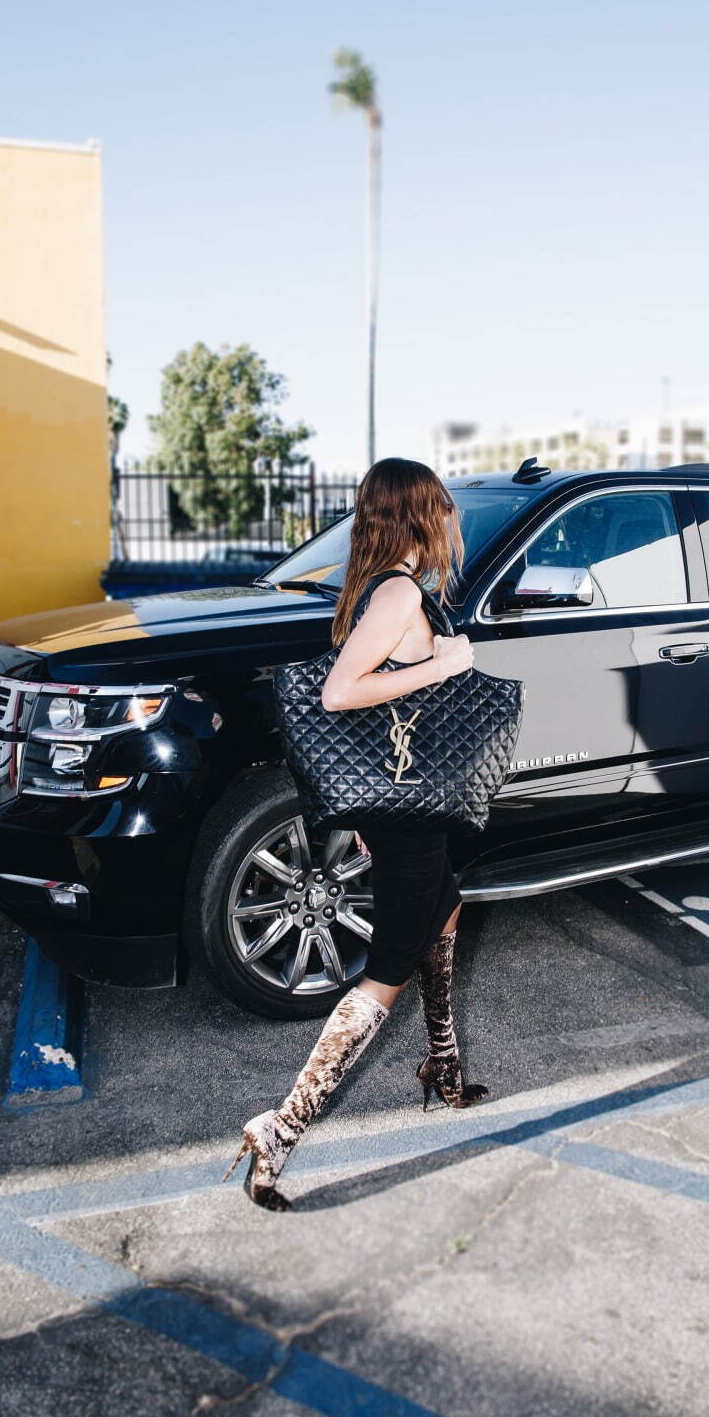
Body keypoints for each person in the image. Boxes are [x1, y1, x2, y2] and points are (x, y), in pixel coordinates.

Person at [225, 457, 488, 1210]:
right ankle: (280, 1128)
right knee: (385, 974)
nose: (452, 521)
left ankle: (442, 1066)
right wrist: (447, 663)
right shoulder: (401, 592)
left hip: (408, 806)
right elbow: (345, 692)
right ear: (416, 515)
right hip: (408, 813)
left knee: (446, 909)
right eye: (443, 507)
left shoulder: (383, 590)